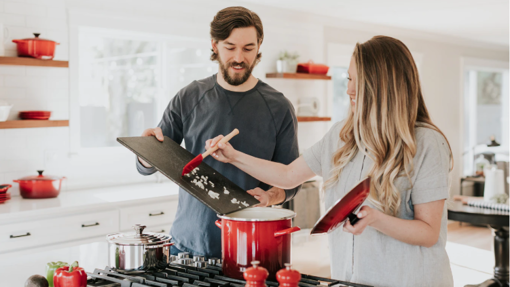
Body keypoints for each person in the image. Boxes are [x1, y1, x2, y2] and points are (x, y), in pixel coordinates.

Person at [207, 36, 454, 287]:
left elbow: (429, 232)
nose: (349, 90)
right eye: (348, 78)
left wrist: (376, 219)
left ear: (385, 86)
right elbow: (289, 175)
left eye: (359, 81)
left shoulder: (427, 142)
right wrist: (233, 156)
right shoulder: (341, 136)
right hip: (349, 280)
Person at [135, 6, 300, 259]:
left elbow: (292, 181)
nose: (239, 58)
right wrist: (145, 153)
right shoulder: (188, 97)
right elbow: (151, 161)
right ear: (214, 45)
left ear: (258, 47)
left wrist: (270, 196)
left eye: (248, 49)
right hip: (187, 245)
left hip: (251, 248)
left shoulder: (279, 107)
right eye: (230, 47)